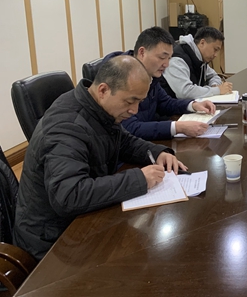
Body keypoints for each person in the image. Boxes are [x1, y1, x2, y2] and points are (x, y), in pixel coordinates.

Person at [13, 56, 187, 260]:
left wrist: (157, 152)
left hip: (80, 221)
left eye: (139, 102)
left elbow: (123, 141)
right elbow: (69, 196)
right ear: (103, 90)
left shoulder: (97, 107)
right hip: (53, 242)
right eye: (130, 101)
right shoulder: (67, 126)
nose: (135, 110)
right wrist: (139, 179)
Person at [104, 27, 216, 141]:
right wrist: (177, 127)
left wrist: (193, 105)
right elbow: (129, 128)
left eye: (169, 58)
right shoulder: (120, 76)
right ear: (142, 52)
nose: (166, 64)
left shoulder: (151, 75)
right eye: (162, 57)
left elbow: (165, 103)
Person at [161, 27, 233, 99]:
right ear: (202, 43)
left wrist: (214, 85)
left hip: (192, 104)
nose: (216, 55)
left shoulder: (200, 59)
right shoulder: (177, 60)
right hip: (171, 104)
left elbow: (213, 76)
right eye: (215, 49)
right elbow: (185, 92)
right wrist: (217, 90)